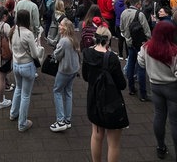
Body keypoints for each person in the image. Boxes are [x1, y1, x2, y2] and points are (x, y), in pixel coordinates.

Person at [82, 26, 128, 162]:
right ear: (108, 41)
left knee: (96, 135)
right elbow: (121, 84)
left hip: (94, 99)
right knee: (113, 143)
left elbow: (85, 76)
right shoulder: (112, 58)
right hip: (111, 102)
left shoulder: (87, 53)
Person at [138, 21, 177, 159]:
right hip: (172, 88)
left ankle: (161, 147)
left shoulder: (146, 47)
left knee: (159, 116)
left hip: (155, 85)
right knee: (174, 122)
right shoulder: (174, 51)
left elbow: (141, 62)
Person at [9, 9, 43, 132]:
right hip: (27, 66)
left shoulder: (12, 31)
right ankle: (22, 123)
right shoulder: (28, 34)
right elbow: (34, 54)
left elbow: (10, 48)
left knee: (18, 89)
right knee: (26, 95)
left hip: (16, 64)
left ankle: (13, 113)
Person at [49, 19, 80, 132]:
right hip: (73, 69)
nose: (59, 26)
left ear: (66, 28)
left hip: (65, 70)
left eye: (61, 25)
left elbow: (56, 56)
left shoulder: (64, 41)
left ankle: (60, 120)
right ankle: (67, 119)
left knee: (57, 91)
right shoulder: (73, 39)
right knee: (68, 92)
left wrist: (55, 49)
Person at [120, 0, 151, 101]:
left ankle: (131, 88)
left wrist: (127, 38)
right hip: (140, 44)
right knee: (141, 67)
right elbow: (147, 31)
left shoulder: (124, 12)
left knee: (131, 64)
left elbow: (122, 28)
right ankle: (143, 93)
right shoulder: (140, 14)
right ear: (138, 4)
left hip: (129, 43)